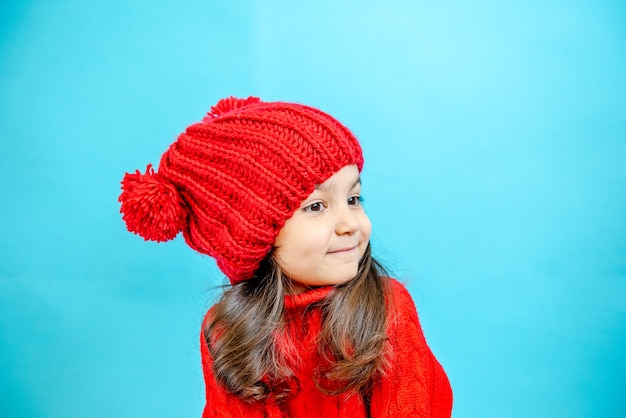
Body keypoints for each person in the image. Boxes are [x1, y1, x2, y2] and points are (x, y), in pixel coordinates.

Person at [118, 96, 453, 417]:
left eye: (353, 199)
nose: (350, 224)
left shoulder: (385, 306)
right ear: (255, 235)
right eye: (317, 207)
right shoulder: (226, 331)